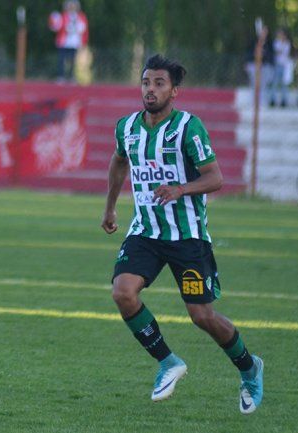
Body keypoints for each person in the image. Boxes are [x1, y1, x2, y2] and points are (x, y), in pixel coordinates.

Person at [101, 54, 264, 414]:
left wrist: (180, 188)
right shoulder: (126, 127)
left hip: (188, 236)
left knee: (202, 316)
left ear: (174, 91)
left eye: (159, 84)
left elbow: (216, 178)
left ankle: (249, 367)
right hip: (145, 232)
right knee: (122, 292)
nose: (150, 90)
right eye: (146, 82)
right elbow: (118, 162)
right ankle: (167, 362)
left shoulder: (189, 127)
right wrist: (111, 207)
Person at [48, 0, 88, 82]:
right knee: (61, 59)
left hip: (74, 42)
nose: (72, 7)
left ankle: (71, 76)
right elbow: (57, 26)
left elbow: (83, 28)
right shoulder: (63, 16)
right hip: (63, 42)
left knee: (72, 60)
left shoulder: (81, 16)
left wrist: (74, 29)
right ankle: (61, 76)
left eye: (73, 5)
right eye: (70, 5)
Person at [270, 28, 294, 107]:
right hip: (278, 65)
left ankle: (284, 100)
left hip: (285, 66)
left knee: (284, 84)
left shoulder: (287, 43)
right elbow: (277, 52)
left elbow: (283, 52)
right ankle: (273, 100)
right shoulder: (276, 42)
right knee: (275, 83)